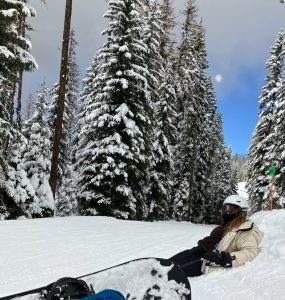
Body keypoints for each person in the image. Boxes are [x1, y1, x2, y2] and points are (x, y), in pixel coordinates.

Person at [170, 195, 264, 276]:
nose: (227, 212)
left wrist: (224, 258)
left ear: (242, 212)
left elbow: (250, 252)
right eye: (226, 209)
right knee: (168, 263)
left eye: (232, 209)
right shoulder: (228, 225)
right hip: (198, 251)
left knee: (171, 271)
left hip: (205, 262)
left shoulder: (245, 230)